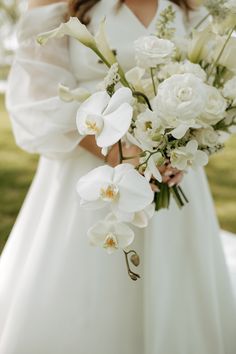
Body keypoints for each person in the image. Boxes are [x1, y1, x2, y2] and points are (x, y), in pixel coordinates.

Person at [0, 0, 235, 353]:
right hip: (90, 178)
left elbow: (217, 86)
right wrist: (114, 150)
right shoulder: (57, 5)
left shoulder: (192, 8)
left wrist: (186, 147)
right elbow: (38, 95)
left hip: (171, 179)